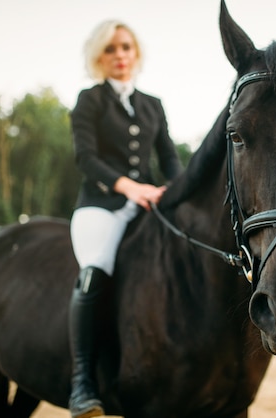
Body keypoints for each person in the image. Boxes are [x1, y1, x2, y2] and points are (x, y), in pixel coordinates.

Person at [68, 20, 183, 418]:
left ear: (136, 53)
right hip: (101, 205)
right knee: (95, 268)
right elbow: (86, 158)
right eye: (112, 49)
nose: (120, 56)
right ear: (100, 57)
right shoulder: (90, 100)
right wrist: (128, 187)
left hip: (150, 201)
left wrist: (181, 190)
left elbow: (168, 158)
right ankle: (82, 383)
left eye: (126, 48)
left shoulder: (153, 104)